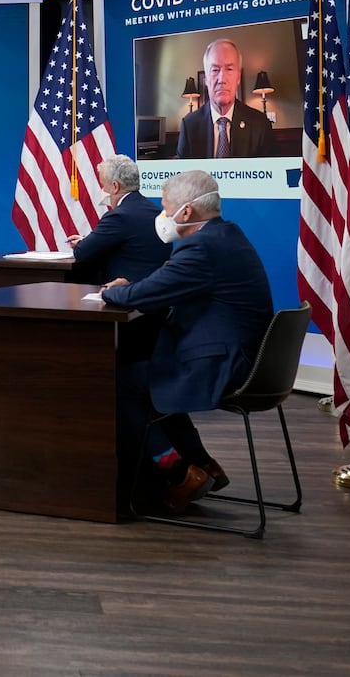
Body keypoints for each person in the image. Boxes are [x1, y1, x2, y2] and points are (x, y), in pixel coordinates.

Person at [100, 170, 272, 512]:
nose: (163, 215)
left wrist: (115, 293)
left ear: (187, 212)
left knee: (117, 384)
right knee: (151, 377)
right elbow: (166, 282)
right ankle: (201, 463)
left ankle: (179, 473)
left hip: (225, 363)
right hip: (250, 360)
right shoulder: (227, 235)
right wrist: (134, 287)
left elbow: (148, 295)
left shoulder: (203, 246)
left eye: (165, 207)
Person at [66, 154, 168, 287]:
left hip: (124, 293)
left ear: (115, 186)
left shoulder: (119, 216)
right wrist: (86, 241)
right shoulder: (154, 210)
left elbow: (81, 252)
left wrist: (82, 243)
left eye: (103, 186)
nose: (102, 190)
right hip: (154, 291)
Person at [175, 39, 273, 159]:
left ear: (238, 78)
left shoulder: (260, 125)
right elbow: (184, 176)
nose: (222, 79)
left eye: (229, 69)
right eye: (215, 70)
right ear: (206, 80)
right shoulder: (189, 125)